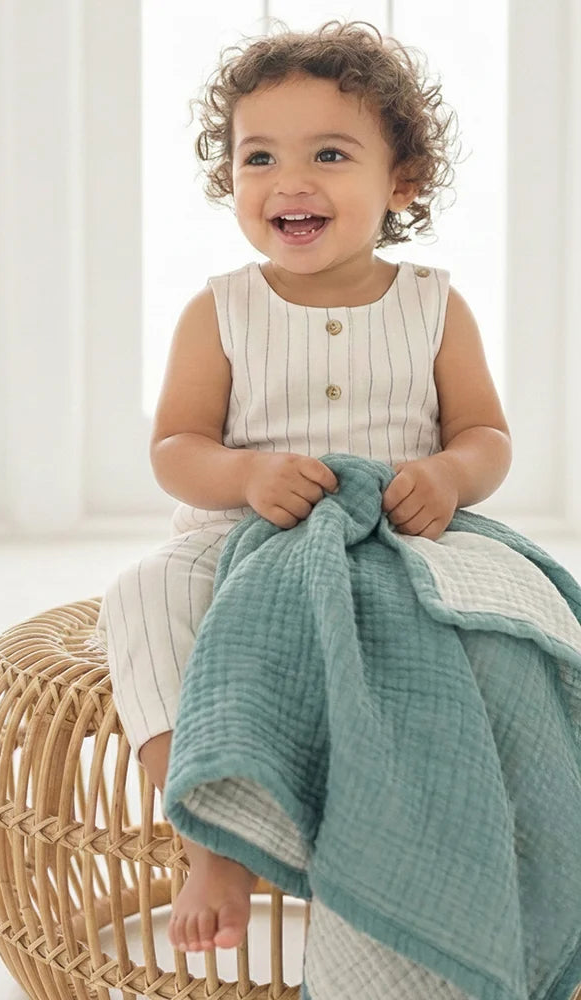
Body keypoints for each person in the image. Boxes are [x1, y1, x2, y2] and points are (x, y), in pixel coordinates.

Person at [95, 18, 511, 956]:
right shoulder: (221, 310)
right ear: (231, 180)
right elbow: (175, 446)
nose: (290, 181)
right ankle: (213, 829)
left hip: (392, 537)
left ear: (400, 181)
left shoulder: (435, 308)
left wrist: (447, 474)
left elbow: (485, 435)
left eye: (330, 152)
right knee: (143, 593)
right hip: (245, 534)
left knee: (493, 623)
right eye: (258, 157)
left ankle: (408, 851)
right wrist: (244, 474)